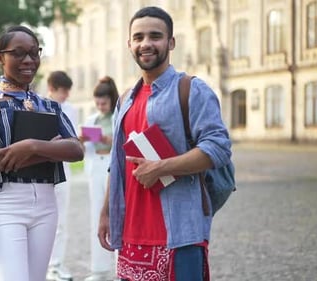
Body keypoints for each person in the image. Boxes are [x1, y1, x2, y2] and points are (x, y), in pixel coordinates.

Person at [98, 6, 232, 281]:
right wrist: (106, 213)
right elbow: (116, 164)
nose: (146, 43)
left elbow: (218, 147)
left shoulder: (192, 90)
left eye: (155, 36)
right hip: (131, 234)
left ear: (171, 42)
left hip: (179, 231)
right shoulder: (125, 100)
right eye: (138, 37)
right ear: (130, 44)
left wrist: (159, 168)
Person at [0, 25, 84, 281]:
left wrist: (30, 146)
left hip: (46, 204)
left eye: (34, 52)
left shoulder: (49, 105)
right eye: (18, 53)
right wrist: (53, 150)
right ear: (1, 58)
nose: (29, 60)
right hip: (6, 204)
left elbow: (76, 150)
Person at [79, 76, 119, 281]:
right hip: (96, 167)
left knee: (117, 215)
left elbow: (125, 143)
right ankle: (99, 269)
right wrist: (83, 138)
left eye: (103, 103)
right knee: (97, 216)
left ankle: (122, 267)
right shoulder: (91, 120)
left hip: (114, 168)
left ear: (111, 100)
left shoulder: (119, 117)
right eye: (97, 103)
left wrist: (106, 139)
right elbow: (83, 146)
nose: (100, 106)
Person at [45, 70, 77, 281]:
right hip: (43, 172)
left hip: (63, 171)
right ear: (52, 89)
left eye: (67, 91)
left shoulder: (70, 110)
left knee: (62, 221)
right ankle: (44, 265)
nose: (65, 95)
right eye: (62, 91)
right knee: (43, 220)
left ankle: (57, 264)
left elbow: (72, 138)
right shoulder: (39, 106)